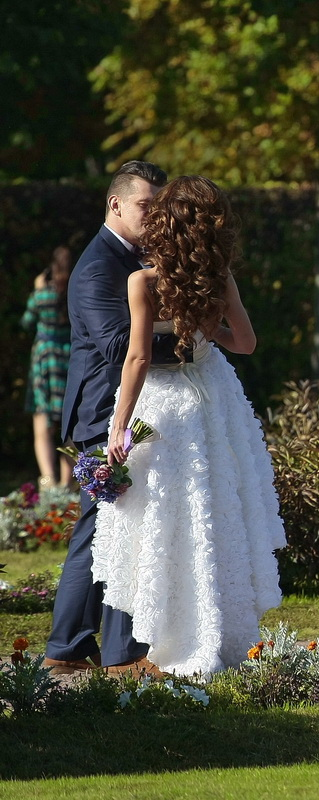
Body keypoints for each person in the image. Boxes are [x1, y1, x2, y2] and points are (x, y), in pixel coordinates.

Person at [95, 174, 286, 677]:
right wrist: (207, 328)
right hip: (210, 401)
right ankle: (222, 632)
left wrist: (119, 426)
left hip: (162, 404)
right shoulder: (219, 278)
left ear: (162, 224)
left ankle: (169, 635)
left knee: (165, 517)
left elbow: (136, 358)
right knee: (215, 510)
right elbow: (244, 343)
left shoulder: (143, 282)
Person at [45, 160, 175, 677]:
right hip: (105, 413)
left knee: (107, 530)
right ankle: (103, 652)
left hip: (122, 407)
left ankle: (71, 646)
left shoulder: (134, 258)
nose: (155, 217)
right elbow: (122, 346)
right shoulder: (100, 266)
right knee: (109, 530)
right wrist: (190, 343)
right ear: (116, 205)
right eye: (146, 207)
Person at [21, 245, 73, 488]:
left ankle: (48, 481)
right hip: (69, 357)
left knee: (42, 421)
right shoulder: (74, 293)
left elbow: (26, 321)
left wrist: (36, 289)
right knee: (67, 422)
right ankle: (68, 483)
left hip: (45, 359)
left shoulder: (43, 294)